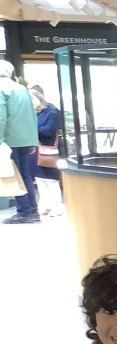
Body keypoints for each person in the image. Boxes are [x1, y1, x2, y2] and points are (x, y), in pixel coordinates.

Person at [0, 59, 41, 224]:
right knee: (25, 175)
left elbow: (1, 118)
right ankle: (32, 211)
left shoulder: (1, 88)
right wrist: (32, 140)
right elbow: (31, 115)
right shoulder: (21, 88)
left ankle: (24, 212)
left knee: (14, 177)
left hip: (9, 140)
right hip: (25, 139)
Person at [29, 85, 62, 216]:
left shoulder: (51, 111)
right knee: (40, 179)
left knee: (51, 180)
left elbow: (50, 131)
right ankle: (46, 205)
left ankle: (56, 207)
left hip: (48, 150)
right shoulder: (36, 112)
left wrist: (33, 129)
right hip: (38, 150)